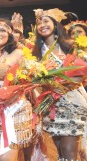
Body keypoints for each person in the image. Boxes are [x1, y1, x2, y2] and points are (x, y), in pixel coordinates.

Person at [32, 8, 87, 160]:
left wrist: (63, 84)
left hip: (71, 103)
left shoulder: (70, 46)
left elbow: (80, 73)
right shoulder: (36, 53)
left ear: (55, 24)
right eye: (39, 22)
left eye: (46, 21)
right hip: (51, 107)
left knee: (70, 154)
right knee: (59, 154)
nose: (42, 25)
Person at [0, 18, 33, 161]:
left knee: (8, 156)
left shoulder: (19, 53)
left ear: (9, 34)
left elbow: (30, 80)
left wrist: (12, 94)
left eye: (2, 30)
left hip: (15, 109)